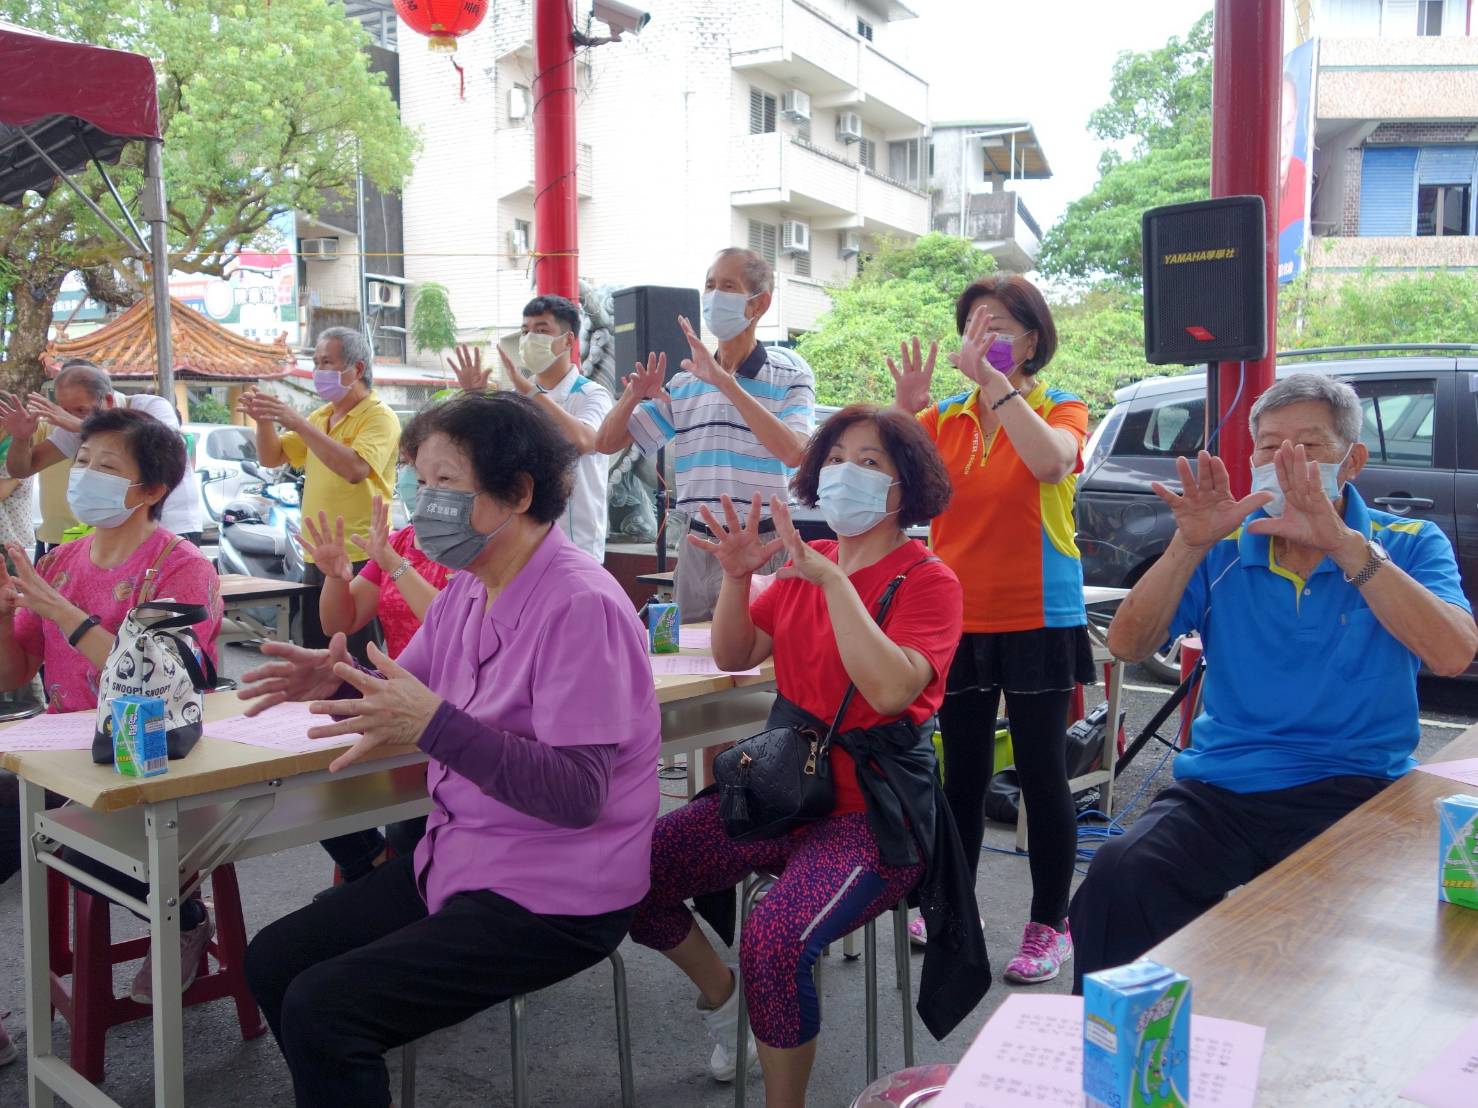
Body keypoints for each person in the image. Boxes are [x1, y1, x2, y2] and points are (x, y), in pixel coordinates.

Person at [241, 392, 660, 1107]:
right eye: (418, 480)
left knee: (325, 1009)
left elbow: (577, 795)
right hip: (464, 858)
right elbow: (405, 688)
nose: (420, 500)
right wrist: (336, 680)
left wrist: (437, 727)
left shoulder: (580, 604)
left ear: (517, 492)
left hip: (556, 894)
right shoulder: (471, 589)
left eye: (442, 482)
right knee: (275, 960)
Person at [630, 406, 990, 1107]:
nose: (844, 472)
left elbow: (888, 689)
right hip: (782, 793)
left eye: (869, 461)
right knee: (626, 873)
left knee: (775, 935)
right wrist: (738, 577)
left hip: (873, 818)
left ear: (904, 487)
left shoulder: (928, 581)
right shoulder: (806, 563)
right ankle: (726, 997)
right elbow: (736, 655)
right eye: (835, 457)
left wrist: (832, 587)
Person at [1070, 372, 1476, 990]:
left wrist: (1343, 545)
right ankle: (1112, 1066)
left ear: (1353, 461)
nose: (1286, 461)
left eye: (1310, 447)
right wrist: (1185, 546)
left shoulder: (1411, 542)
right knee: (1118, 880)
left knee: (1339, 951)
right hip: (1223, 789)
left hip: (1357, 790)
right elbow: (1126, 645)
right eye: (1269, 446)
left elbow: (1452, 653)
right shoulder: (1222, 546)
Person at [890, 274, 1092, 984]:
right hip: (958, 617)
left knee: (1043, 775)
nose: (985, 336)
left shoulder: (1060, 406)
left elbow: (1048, 462)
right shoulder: (944, 416)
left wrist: (997, 385)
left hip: (1041, 614)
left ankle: (1048, 926)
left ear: (1033, 340)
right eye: (975, 323)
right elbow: (897, 497)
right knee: (963, 773)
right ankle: (953, 904)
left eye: (1001, 325)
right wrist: (903, 412)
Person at [0, 407, 223, 1002]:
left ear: (150, 490)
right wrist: (4, 615)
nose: (84, 475)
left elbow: (159, 678)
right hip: (60, 753)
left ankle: (184, 919)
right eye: (81, 461)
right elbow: (16, 671)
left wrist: (63, 615)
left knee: (87, 853)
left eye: (105, 466)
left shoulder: (182, 567)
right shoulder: (58, 562)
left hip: (148, 754)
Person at [594, 247, 816, 622]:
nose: (714, 295)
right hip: (699, 546)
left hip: (764, 544)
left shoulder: (790, 373)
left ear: (758, 304)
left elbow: (795, 452)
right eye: (710, 285)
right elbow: (605, 443)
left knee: (763, 664)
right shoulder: (685, 382)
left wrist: (726, 383)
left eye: (728, 286)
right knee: (693, 663)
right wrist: (632, 395)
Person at [299, 491, 454, 862]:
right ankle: (369, 870)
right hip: (397, 705)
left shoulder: (474, 552)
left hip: (447, 713)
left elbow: (451, 624)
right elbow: (339, 622)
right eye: (421, 477)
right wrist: (335, 578)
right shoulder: (400, 541)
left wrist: (395, 565)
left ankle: (379, 877)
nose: (426, 488)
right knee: (317, 799)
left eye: (443, 477)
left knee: (404, 829)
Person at [237, 326, 400, 654]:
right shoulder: (321, 415)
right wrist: (266, 420)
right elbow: (272, 457)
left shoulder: (379, 417)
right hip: (318, 551)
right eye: (316, 363)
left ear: (357, 370)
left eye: (327, 363)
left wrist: (297, 423)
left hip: (361, 553)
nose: (318, 371)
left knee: (355, 654)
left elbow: (355, 468)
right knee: (316, 649)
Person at [449, 294, 613, 563]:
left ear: (568, 341)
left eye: (542, 330)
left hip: (576, 544)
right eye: (525, 331)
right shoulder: (516, 397)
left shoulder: (591, 394)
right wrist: (475, 399)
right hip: (520, 542)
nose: (529, 338)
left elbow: (584, 441)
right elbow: (488, 455)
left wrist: (529, 390)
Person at [0, 358, 203, 545]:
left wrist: (82, 425)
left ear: (107, 400)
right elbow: (23, 469)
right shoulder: (75, 425)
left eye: (81, 410)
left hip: (173, 526)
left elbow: (166, 448)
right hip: (118, 534)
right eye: (65, 409)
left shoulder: (151, 405)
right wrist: (21, 437)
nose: (69, 417)